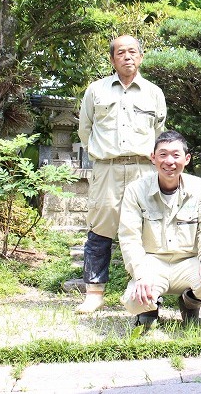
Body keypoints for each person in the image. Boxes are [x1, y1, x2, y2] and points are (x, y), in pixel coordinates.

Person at [76, 35, 167, 313]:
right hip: (107, 168)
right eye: (120, 53)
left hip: (143, 168)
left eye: (132, 52)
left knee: (145, 229)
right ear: (112, 59)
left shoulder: (154, 92)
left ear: (140, 57)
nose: (127, 57)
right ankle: (94, 292)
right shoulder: (96, 90)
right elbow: (85, 130)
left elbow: (159, 133)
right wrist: (101, 155)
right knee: (100, 228)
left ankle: (139, 287)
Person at [118, 130, 201, 330]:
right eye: (163, 154)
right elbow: (129, 238)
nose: (169, 161)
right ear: (153, 158)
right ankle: (149, 309)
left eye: (176, 155)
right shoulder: (136, 190)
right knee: (134, 301)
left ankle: (190, 303)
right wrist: (140, 274)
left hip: (189, 263)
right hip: (152, 262)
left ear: (186, 159)